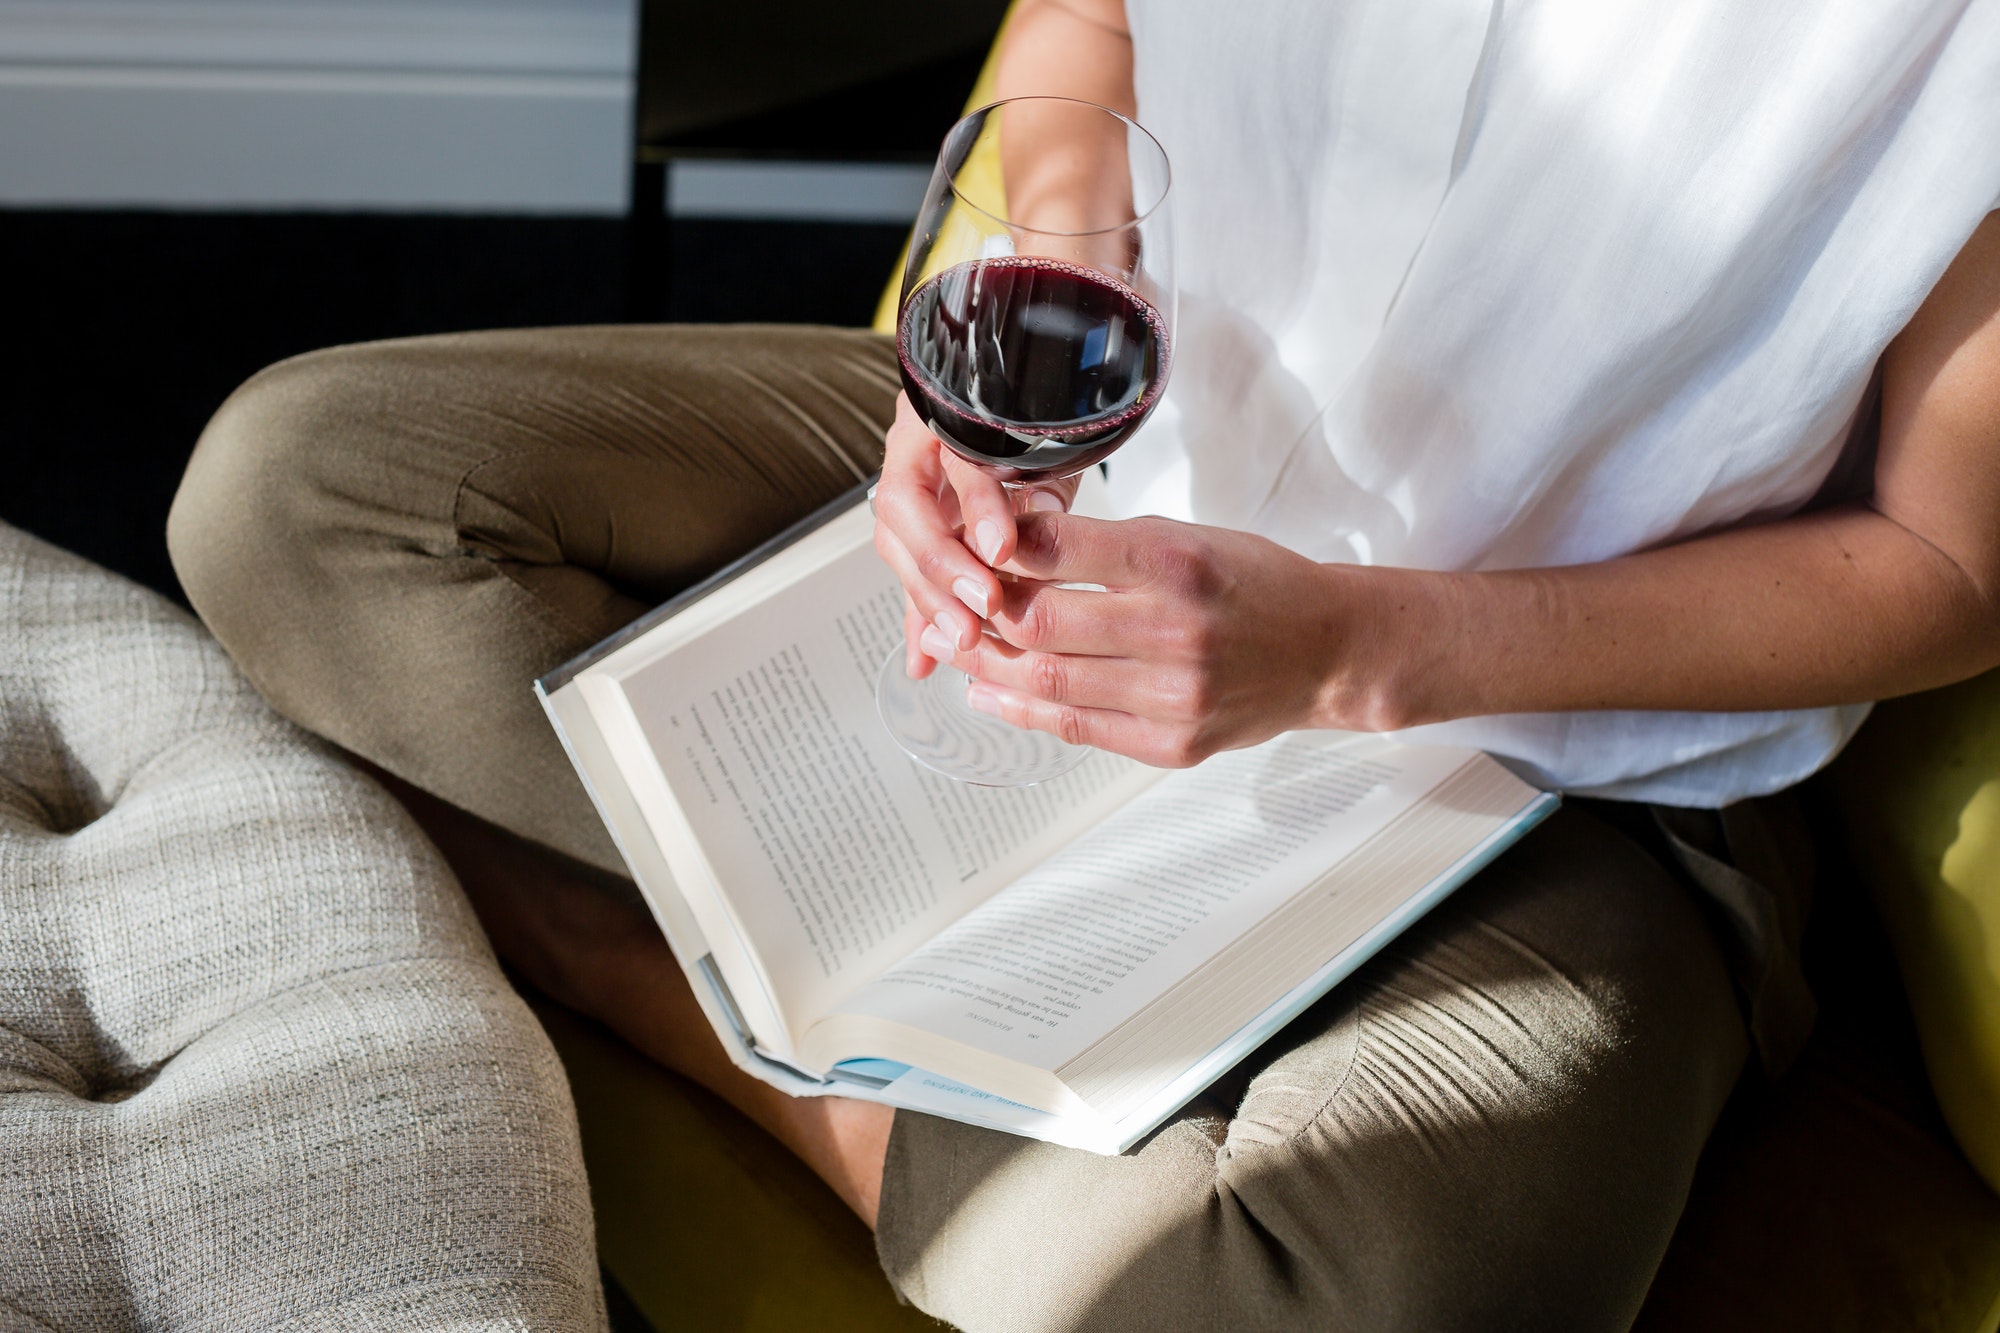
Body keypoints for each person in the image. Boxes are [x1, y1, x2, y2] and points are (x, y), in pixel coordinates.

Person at [167, 1, 2000, 1328]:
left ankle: (648, 975)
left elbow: (1948, 562)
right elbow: (1077, 37)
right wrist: (1033, 327)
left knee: (1385, 1300)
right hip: (1115, 467)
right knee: (300, 493)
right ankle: (931, 1046)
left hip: (1550, 758)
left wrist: (1366, 646)